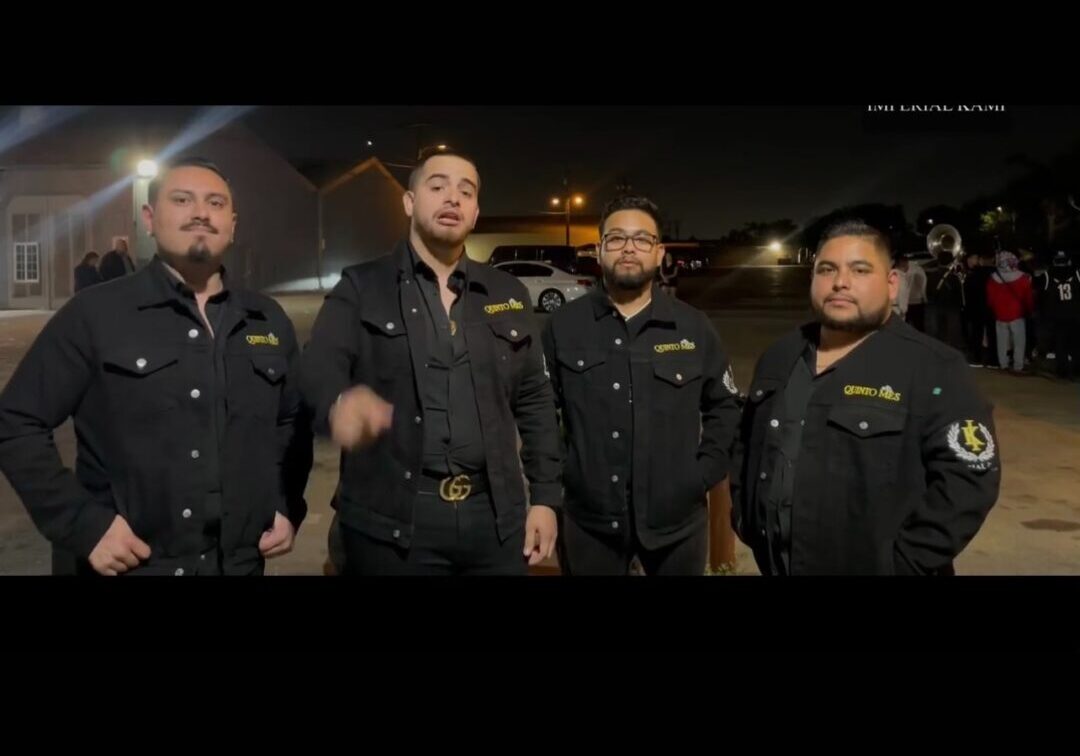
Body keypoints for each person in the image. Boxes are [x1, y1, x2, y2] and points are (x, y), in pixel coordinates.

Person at [0, 157, 312, 576]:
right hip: (132, 564)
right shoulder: (97, 313)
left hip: (236, 563)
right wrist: (83, 526)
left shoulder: (267, 319)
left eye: (216, 203)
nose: (201, 212)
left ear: (233, 224)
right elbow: (16, 421)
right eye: (182, 199)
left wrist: (284, 503)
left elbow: (292, 421)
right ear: (149, 219)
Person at [298, 149, 562, 575]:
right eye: (437, 187)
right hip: (393, 523)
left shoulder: (507, 293)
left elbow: (534, 400)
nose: (452, 198)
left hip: (494, 520)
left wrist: (546, 498)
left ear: (476, 213)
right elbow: (318, 367)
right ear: (409, 202)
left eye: (466, 191)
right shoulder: (361, 287)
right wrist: (337, 404)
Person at [731, 218, 1000, 575]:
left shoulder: (935, 368)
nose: (840, 282)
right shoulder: (780, 357)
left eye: (860, 270)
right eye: (827, 269)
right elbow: (746, 445)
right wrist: (745, 518)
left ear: (892, 284)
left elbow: (968, 482)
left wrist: (900, 563)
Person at [542, 195, 740, 575]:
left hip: (677, 524)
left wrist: (701, 474)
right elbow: (540, 412)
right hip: (589, 523)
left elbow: (726, 406)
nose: (629, 248)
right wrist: (565, 474)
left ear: (659, 251)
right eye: (616, 239)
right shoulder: (563, 326)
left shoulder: (694, 327)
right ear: (599, 251)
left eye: (642, 239)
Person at [986, 251, 1035, 374]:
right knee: (1019, 341)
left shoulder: (993, 278)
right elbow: (1028, 298)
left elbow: (990, 299)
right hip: (1017, 314)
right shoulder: (1023, 278)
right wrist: (1029, 310)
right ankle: (1018, 365)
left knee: (1002, 341)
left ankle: (1003, 364)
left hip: (1000, 314)